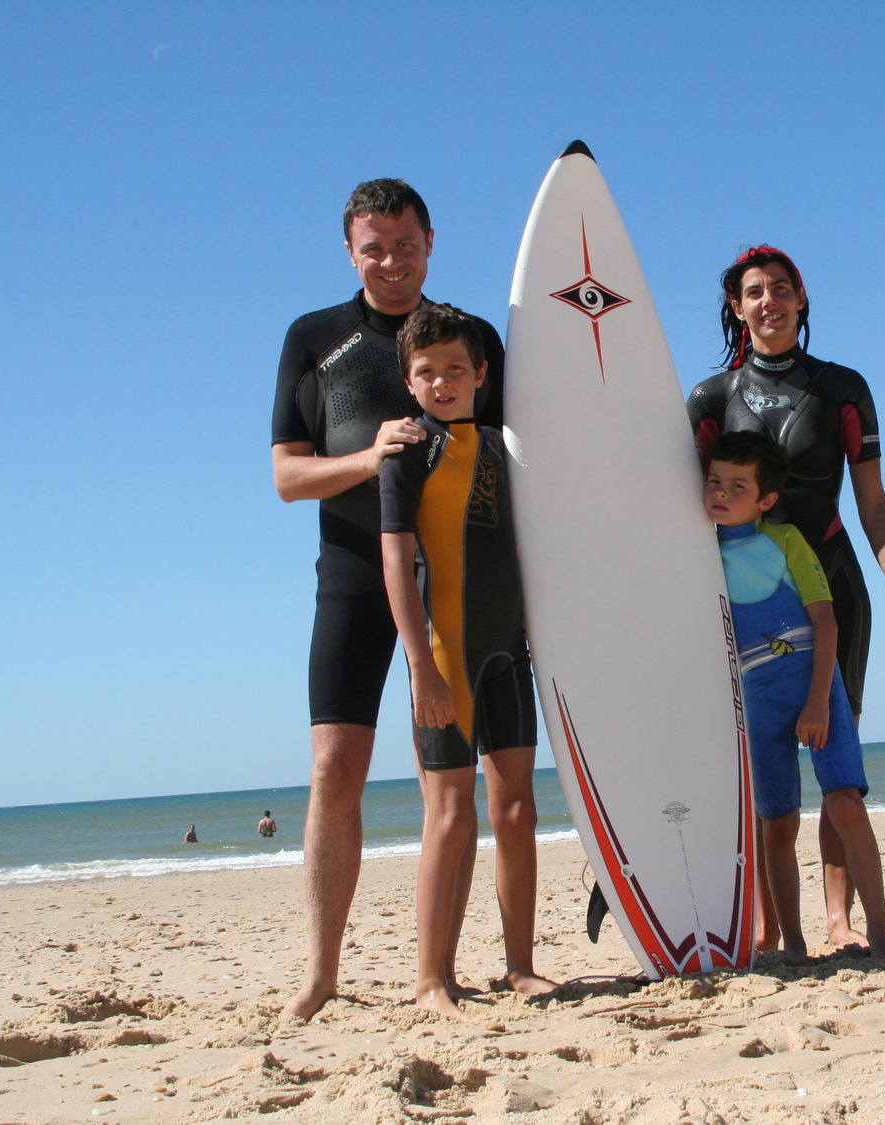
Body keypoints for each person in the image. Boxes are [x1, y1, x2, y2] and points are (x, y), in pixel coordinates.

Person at [272, 179, 506, 1021]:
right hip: (351, 571)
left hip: (449, 582)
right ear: (350, 251)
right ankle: (322, 972)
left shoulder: (465, 337)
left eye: (405, 244)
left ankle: (436, 971)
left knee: (449, 782)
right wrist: (370, 461)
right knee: (335, 770)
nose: (391, 260)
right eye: (374, 247)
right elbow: (287, 478)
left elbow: (509, 459)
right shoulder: (315, 337)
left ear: (431, 242)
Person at [687, 245, 885, 951]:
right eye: (754, 292)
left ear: (801, 298)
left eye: (781, 289)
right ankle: (772, 925)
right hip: (744, 596)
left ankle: (838, 919)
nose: (769, 302)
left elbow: (873, 502)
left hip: (830, 586)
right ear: (737, 307)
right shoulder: (709, 399)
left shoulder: (843, 388)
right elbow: (685, 504)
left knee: (835, 745)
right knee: (762, 763)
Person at [380, 303, 553, 1017]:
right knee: (450, 816)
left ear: (482, 374)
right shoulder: (406, 453)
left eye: (457, 369)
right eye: (428, 372)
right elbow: (396, 563)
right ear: (410, 381)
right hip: (445, 657)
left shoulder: (506, 447)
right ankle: (431, 977)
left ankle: (519, 966)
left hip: (509, 650)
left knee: (516, 810)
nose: (444, 382)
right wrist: (420, 667)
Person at [705, 432, 885, 960]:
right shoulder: (697, 553)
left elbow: (826, 621)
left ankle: (879, 928)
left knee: (845, 804)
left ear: (766, 499)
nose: (721, 493)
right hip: (757, 702)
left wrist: (817, 701)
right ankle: (791, 942)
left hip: (816, 688)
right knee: (777, 823)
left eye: (737, 486)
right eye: (714, 481)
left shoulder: (786, 539)